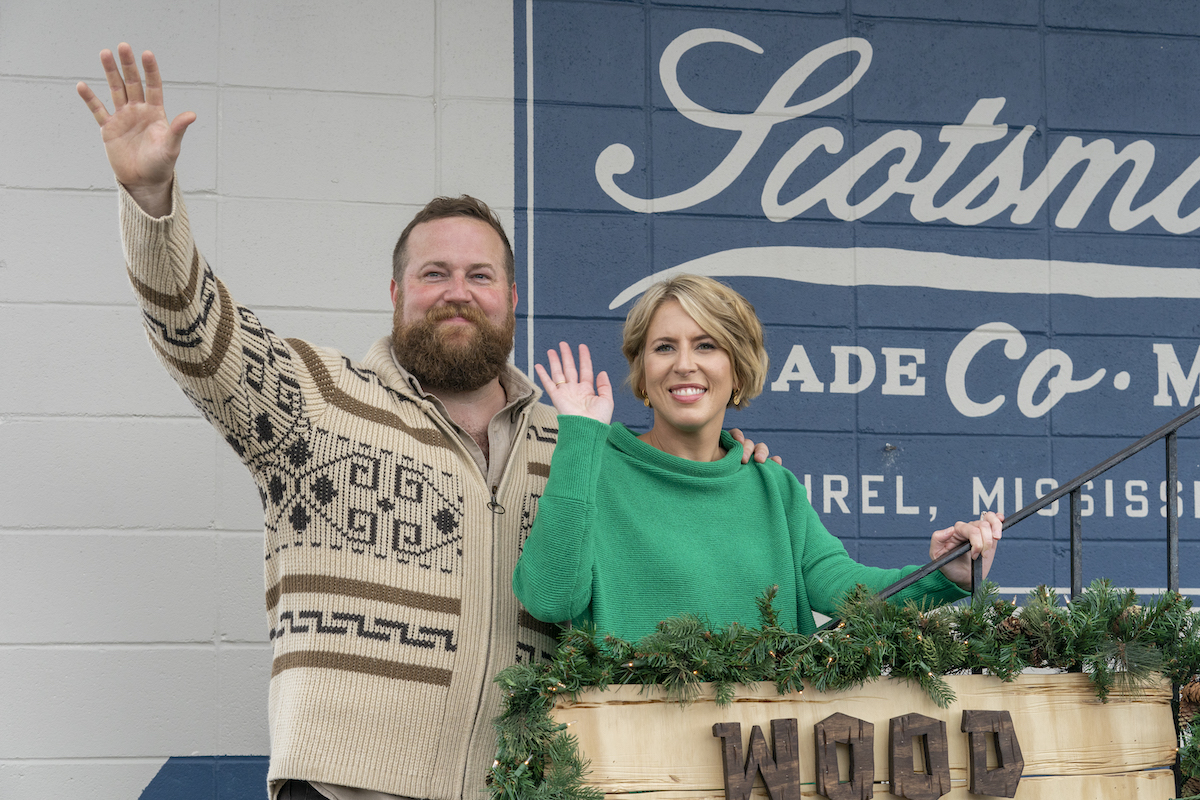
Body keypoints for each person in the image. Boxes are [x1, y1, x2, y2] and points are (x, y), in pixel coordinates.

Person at [76, 45, 776, 800]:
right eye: (433, 274)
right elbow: (196, 334)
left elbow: (675, 525)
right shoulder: (316, 402)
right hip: (344, 786)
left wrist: (735, 469)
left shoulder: (575, 444)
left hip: (519, 788)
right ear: (396, 292)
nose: (456, 293)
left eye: (480, 276)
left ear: (512, 298)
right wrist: (151, 203)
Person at [513, 275, 1002, 641]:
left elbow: (846, 590)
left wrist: (943, 577)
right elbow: (550, 599)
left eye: (706, 345)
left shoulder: (772, 487)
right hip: (635, 764)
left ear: (738, 373)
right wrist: (580, 437)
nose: (685, 363)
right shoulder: (595, 468)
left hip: (761, 765)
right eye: (664, 347)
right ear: (643, 375)